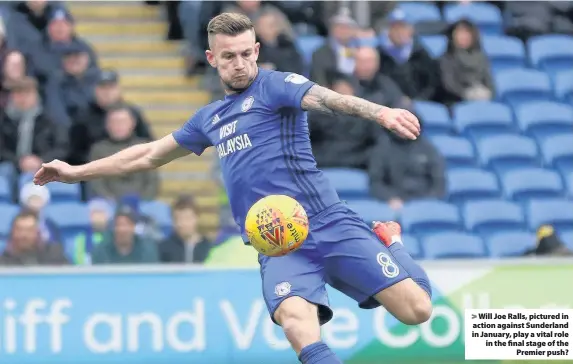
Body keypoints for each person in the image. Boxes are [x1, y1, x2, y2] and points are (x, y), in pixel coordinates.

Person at [33, 13, 430, 364]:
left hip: (327, 221)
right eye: (228, 56)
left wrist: (380, 112)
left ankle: (390, 241)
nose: (239, 64)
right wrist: (75, 172)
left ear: (256, 50)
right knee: (296, 323)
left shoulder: (275, 87)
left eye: (245, 54)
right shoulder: (208, 119)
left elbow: (326, 98)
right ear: (212, 59)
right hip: (277, 242)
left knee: (418, 311)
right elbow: (147, 155)